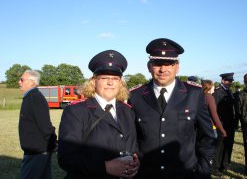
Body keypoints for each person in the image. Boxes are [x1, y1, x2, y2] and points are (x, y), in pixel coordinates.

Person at [128, 38, 216, 179]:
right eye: (157, 64)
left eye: (168, 64)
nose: (163, 70)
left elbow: (206, 137)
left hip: (185, 174)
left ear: (177, 66)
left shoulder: (194, 94)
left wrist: (203, 171)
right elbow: (131, 138)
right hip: (147, 174)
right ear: (149, 66)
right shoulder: (135, 96)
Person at [58, 50, 140, 179]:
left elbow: (133, 144)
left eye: (115, 78)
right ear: (94, 82)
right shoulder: (76, 112)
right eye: (104, 78)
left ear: (120, 83)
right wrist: (105, 167)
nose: (110, 83)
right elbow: (66, 158)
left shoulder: (127, 110)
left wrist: (136, 158)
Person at [18, 70, 57, 179]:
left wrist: (52, 144)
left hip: (37, 152)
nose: (19, 82)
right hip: (36, 150)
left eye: (22, 79)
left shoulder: (34, 97)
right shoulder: (30, 97)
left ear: (31, 82)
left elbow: (45, 126)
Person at [212, 72, 236, 175]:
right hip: (220, 123)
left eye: (231, 81)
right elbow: (215, 110)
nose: (230, 83)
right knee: (219, 147)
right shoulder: (217, 92)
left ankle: (224, 165)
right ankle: (215, 168)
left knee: (227, 145)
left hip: (229, 123)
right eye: (228, 81)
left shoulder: (229, 92)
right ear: (222, 80)